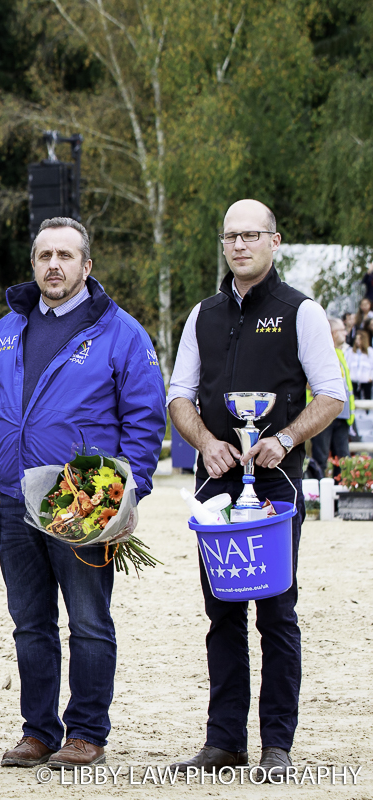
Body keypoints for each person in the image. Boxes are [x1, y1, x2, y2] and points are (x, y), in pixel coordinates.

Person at [0, 216, 166, 770]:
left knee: (90, 622)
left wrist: (126, 496)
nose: (54, 264)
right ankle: (39, 731)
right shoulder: (6, 331)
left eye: (66, 256)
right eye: (44, 255)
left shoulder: (122, 333)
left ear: (86, 267)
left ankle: (87, 732)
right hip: (11, 499)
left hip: (83, 500)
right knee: (30, 623)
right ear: (33, 265)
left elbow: (144, 421)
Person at [167, 199, 346, 778]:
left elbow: (330, 395)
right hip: (216, 479)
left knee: (276, 613)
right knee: (220, 612)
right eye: (230, 236)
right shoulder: (203, 314)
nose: (240, 245)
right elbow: (179, 396)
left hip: (275, 480)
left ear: (274, 241)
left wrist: (287, 439)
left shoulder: (303, 312)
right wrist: (205, 443)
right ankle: (224, 741)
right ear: (223, 244)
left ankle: (276, 744)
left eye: (251, 235)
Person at [306, 318, 354, 478]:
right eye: (342, 330)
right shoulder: (320, 353)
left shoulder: (340, 353)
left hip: (342, 415)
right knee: (321, 457)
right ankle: (318, 497)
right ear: (333, 333)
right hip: (323, 412)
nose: (346, 333)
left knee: (344, 459)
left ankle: (341, 497)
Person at [349, 329, 372, 401]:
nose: (357, 341)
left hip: (366, 380)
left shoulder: (370, 351)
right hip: (354, 380)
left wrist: (371, 377)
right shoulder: (351, 351)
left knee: (366, 399)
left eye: (360, 339)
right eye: (356, 339)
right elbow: (348, 364)